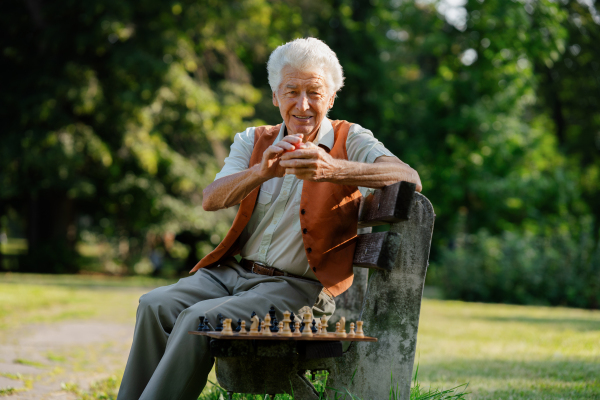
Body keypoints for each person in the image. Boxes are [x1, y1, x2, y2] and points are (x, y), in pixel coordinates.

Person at [116, 37, 422, 400]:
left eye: (315, 92)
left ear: (332, 98)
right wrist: (260, 172)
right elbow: (211, 199)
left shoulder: (350, 137)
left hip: (297, 289)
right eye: (291, 91)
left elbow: (409, 178)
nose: (303, 104)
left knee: (196, 319)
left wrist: (333, 169)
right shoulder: (252, 140)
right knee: (154, 305)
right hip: (229, 274)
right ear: (276, 96)